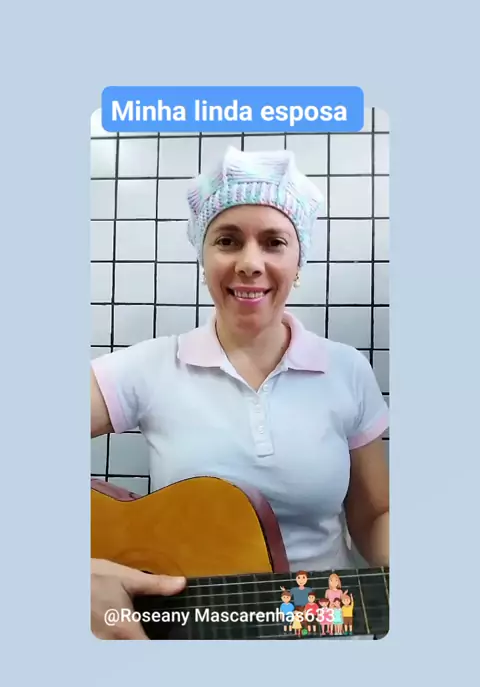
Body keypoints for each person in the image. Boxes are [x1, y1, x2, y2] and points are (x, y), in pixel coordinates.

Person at [90, 145, 389, 639]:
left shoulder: (347, 371)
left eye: (274, 242)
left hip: (324, 627)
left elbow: (375, 514)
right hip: (194, 637)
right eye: (228, 241)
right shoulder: (150, 367)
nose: (250, 263)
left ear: (298, 260)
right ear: (204, 256)